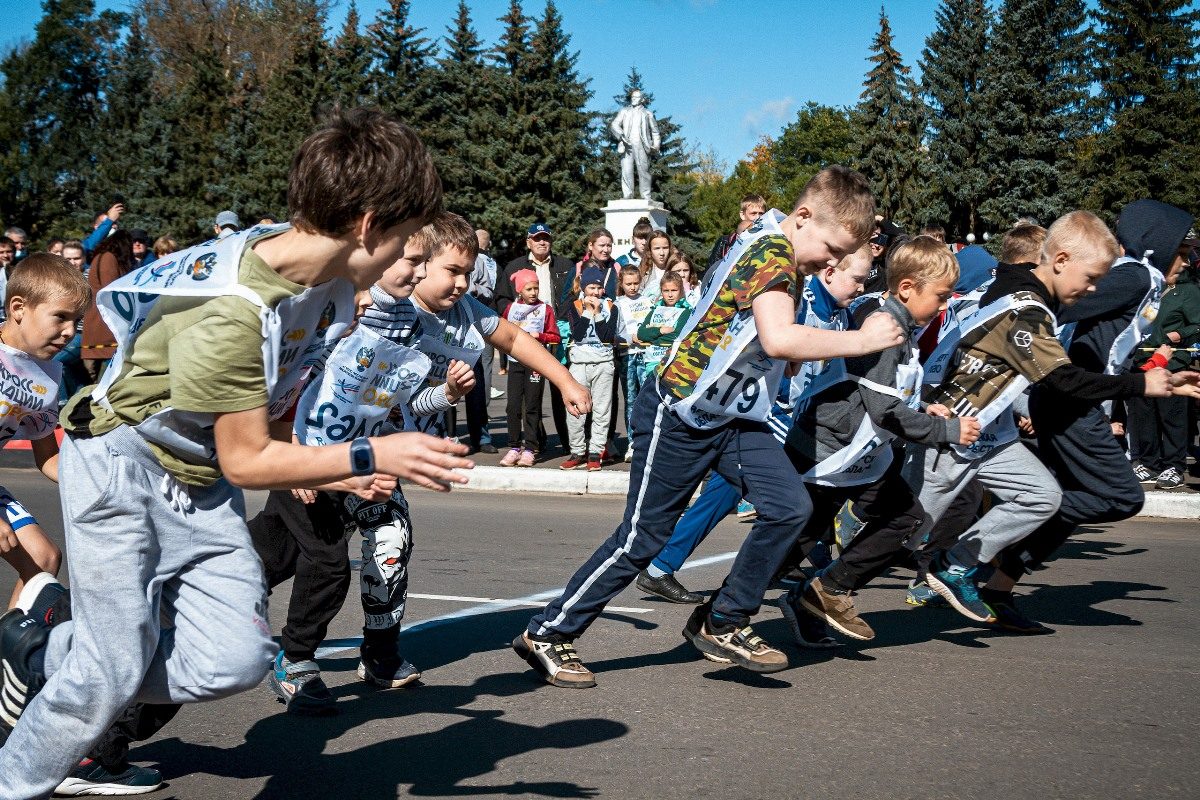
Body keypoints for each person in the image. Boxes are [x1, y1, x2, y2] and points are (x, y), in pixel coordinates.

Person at [0, 107, 476, 799]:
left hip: (197, 477)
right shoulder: (234, 311)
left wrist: (325, 457)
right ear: (368, 224)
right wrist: (370, 457)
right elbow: (247, 461)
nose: (411, 261)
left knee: (236, 659)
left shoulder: (325, 280)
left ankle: (54, 651)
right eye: (407, 243)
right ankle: (17, 777)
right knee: (108, 671)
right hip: (122, 468)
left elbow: (276, 400)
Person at [514, 166, 902, 687]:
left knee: (789, 507)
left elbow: (758, 334)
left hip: (735, 419)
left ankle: (724, 619)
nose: (831, 262)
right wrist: (862, 341)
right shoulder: (772, 255)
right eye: (831, 248)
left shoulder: (774, 244)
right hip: (681, 413)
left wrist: (773, 361)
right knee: (642, 539)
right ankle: (549, 632)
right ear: (803, 217)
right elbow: (781, 336)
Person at [913, 210, 1199, 632]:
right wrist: (1137, 386)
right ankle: (964, 564)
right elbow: (1053, 310)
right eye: (1184, 249)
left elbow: (1102, 340)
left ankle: (995, 585)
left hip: (1075, 399)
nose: (1190, 259)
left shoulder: (1140, 280)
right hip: (1070, 402)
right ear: (1160, 245)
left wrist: (1155, 378)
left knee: (1051, 498)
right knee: (1118, 496)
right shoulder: (1138, 276)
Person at [254, 225, 477, 714]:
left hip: (365, 460)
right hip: (309, 456)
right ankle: (292, 656)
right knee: (289, 560)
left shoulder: (414, 324)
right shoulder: (341, 300)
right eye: (414, 261)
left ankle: (379, 653)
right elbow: (288, 375)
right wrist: (295, 456)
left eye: (424, 264)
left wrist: (449, 395)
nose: (419, 273)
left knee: (391, 537)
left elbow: (401, 401)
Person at [635, 244, 874, 604]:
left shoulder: (841, 313)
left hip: (792, 414)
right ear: (829, 273)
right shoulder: (799, 302)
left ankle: (801, 559)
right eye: (855, 278)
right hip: (765, 413)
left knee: (771, 497)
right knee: (728, 492)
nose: (860, 287)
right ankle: (661, 567)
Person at [780, 237, 977, 644]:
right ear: (907, 288)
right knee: (790, 543)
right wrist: (948, 431)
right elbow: (884, 411)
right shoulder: (886, 328)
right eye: (939, 296)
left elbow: (889, 392)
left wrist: (925, 408)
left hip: (854, 453)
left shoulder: (901, 326)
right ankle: (725, 613)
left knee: (906, 518)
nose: (943, 306)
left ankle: (823, 591)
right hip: (826, 451)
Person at [496, 223, 576, 454]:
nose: (542, 242)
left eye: (546, 238)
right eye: (537, 238)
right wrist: (515, 317)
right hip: (526, 340)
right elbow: (501, 299)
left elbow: (573, 296)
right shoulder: (515, 266)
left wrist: (562, 320)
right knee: (529, 397)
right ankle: (535, 441)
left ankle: (568, 441)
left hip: (556, 332)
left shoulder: (564, 265)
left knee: (561, 386)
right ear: (528, 241)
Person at [1131, 252, 1200, 488]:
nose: (1184, 264)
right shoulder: (1151, 287)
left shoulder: (1188, 290)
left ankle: (1174, 465)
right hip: (1142, 361)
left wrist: (1177, 335)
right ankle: (1148, 463)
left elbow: (1198, 324)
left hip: (1172, 362)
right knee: (1144, 417)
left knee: (1171, 417)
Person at [500, 269, 561, 467]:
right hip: (516, 362)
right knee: (513, 406)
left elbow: (555, 336)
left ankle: (530, 448)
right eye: (529, 289)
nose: (534, 292)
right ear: (520, 291)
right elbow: (501, 333)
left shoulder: (546, 309)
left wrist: (540, 336)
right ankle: (514, 446)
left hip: (536, 363)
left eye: (536, 288)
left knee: (532, 406)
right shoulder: (511, 308)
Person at [561, 267, 618, 471]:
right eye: (591, 287)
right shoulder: (574, 305)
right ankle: (577, 451)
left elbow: (606, 336)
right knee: (577, 410)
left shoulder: (611, 306)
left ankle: (595, 452)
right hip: (579, 364)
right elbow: (577, 334)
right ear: (584, 287)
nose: (595, 292)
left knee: (602, 410)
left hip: (603, 363)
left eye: (599, 288)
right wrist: (587, 311)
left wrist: (598, 313)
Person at [80, 229, 135, 380]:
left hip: (98, 319)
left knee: (96, 374)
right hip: (103, 321)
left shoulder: (101, 256)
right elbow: (111, 289)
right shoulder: (108, 258)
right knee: (102, 377)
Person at [613, 265, 653, 460]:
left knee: (646, 399)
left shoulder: (647, 302)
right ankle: (632, 442)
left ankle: (646, 441)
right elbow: (614, 333)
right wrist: (631, 338)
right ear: (621, 283)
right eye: (628, 284)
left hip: (646, 355)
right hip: (627, 355)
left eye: (636, 283)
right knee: (630, 400)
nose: (633, 287)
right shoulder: (617, 304)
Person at [635, 272, 691, 383]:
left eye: (674, 290)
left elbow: (677, 336)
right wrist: (660, 330)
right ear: (661, 291)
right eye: (666, 291)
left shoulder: (686, 311)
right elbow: (641, 334)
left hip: (672, 363)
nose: (670, 295)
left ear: (680, 290)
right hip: (652, 363)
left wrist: (651, 338)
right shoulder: (655, 310)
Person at [609, 89, 661, 200]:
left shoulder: (648, 114)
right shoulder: (624, 111)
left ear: (642, 100)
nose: (633, 99)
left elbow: (655, 131)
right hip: (626, 146)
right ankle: (627, 195)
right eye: (632, 97)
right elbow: (614, 124)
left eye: (636, 97)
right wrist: (621, 135)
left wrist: (656, 146)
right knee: (626, 171)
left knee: (643, 171)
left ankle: (646, 196)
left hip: (642, 146)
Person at [706, 194, 766, 272]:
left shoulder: (768, 240)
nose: (758, 218)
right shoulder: (725, 243)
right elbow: (710, 272)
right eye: (753, 213)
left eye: (761, 214)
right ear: (742, 215)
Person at [639, 229, 673, 300]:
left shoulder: (675, 269)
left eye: (665, 248)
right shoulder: (643, 271)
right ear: (650, 251)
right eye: (657, 248)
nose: (662, 253)